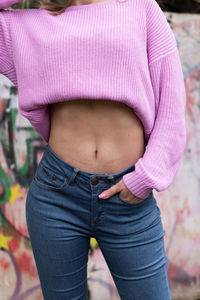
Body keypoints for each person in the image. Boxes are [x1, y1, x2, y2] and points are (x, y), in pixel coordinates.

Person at [0, 0, 187, 299]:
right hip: (56, 196)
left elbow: (172, 103)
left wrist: (145, 178)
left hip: (129, 203)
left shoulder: (140, 8)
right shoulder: (29, 24)